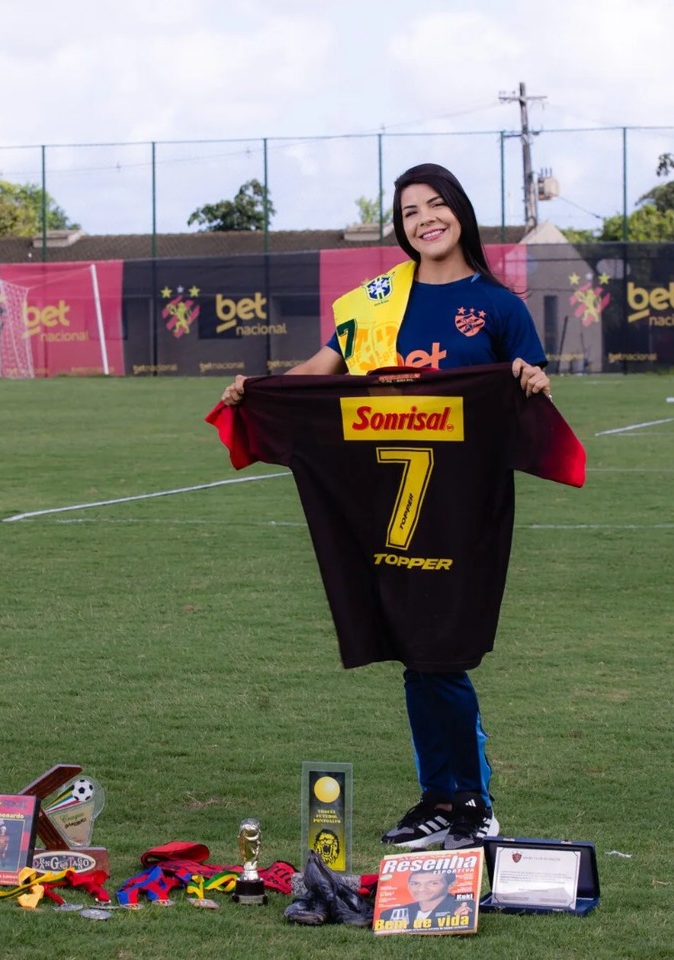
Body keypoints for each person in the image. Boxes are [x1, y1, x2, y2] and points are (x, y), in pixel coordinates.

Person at [218, 163, 555, 852]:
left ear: (460, 211)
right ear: (401, 229)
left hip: (460, 504)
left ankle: (473, 805)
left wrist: (529, 374)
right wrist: (258, 390)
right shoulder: (377, 302)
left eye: (437, 206)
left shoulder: (498, 307)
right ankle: (442, 799)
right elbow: (323, 370)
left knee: (442, 651)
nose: (426, 220)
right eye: (410, 213)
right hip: (387, 501)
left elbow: (527, 388)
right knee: (416, 653)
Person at [406, 869, 471, 922]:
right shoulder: (400, 911)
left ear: (450, 885)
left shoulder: (464, 908)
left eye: (433, 883)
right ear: (408, 885)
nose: (421, 889)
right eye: (415, 883)